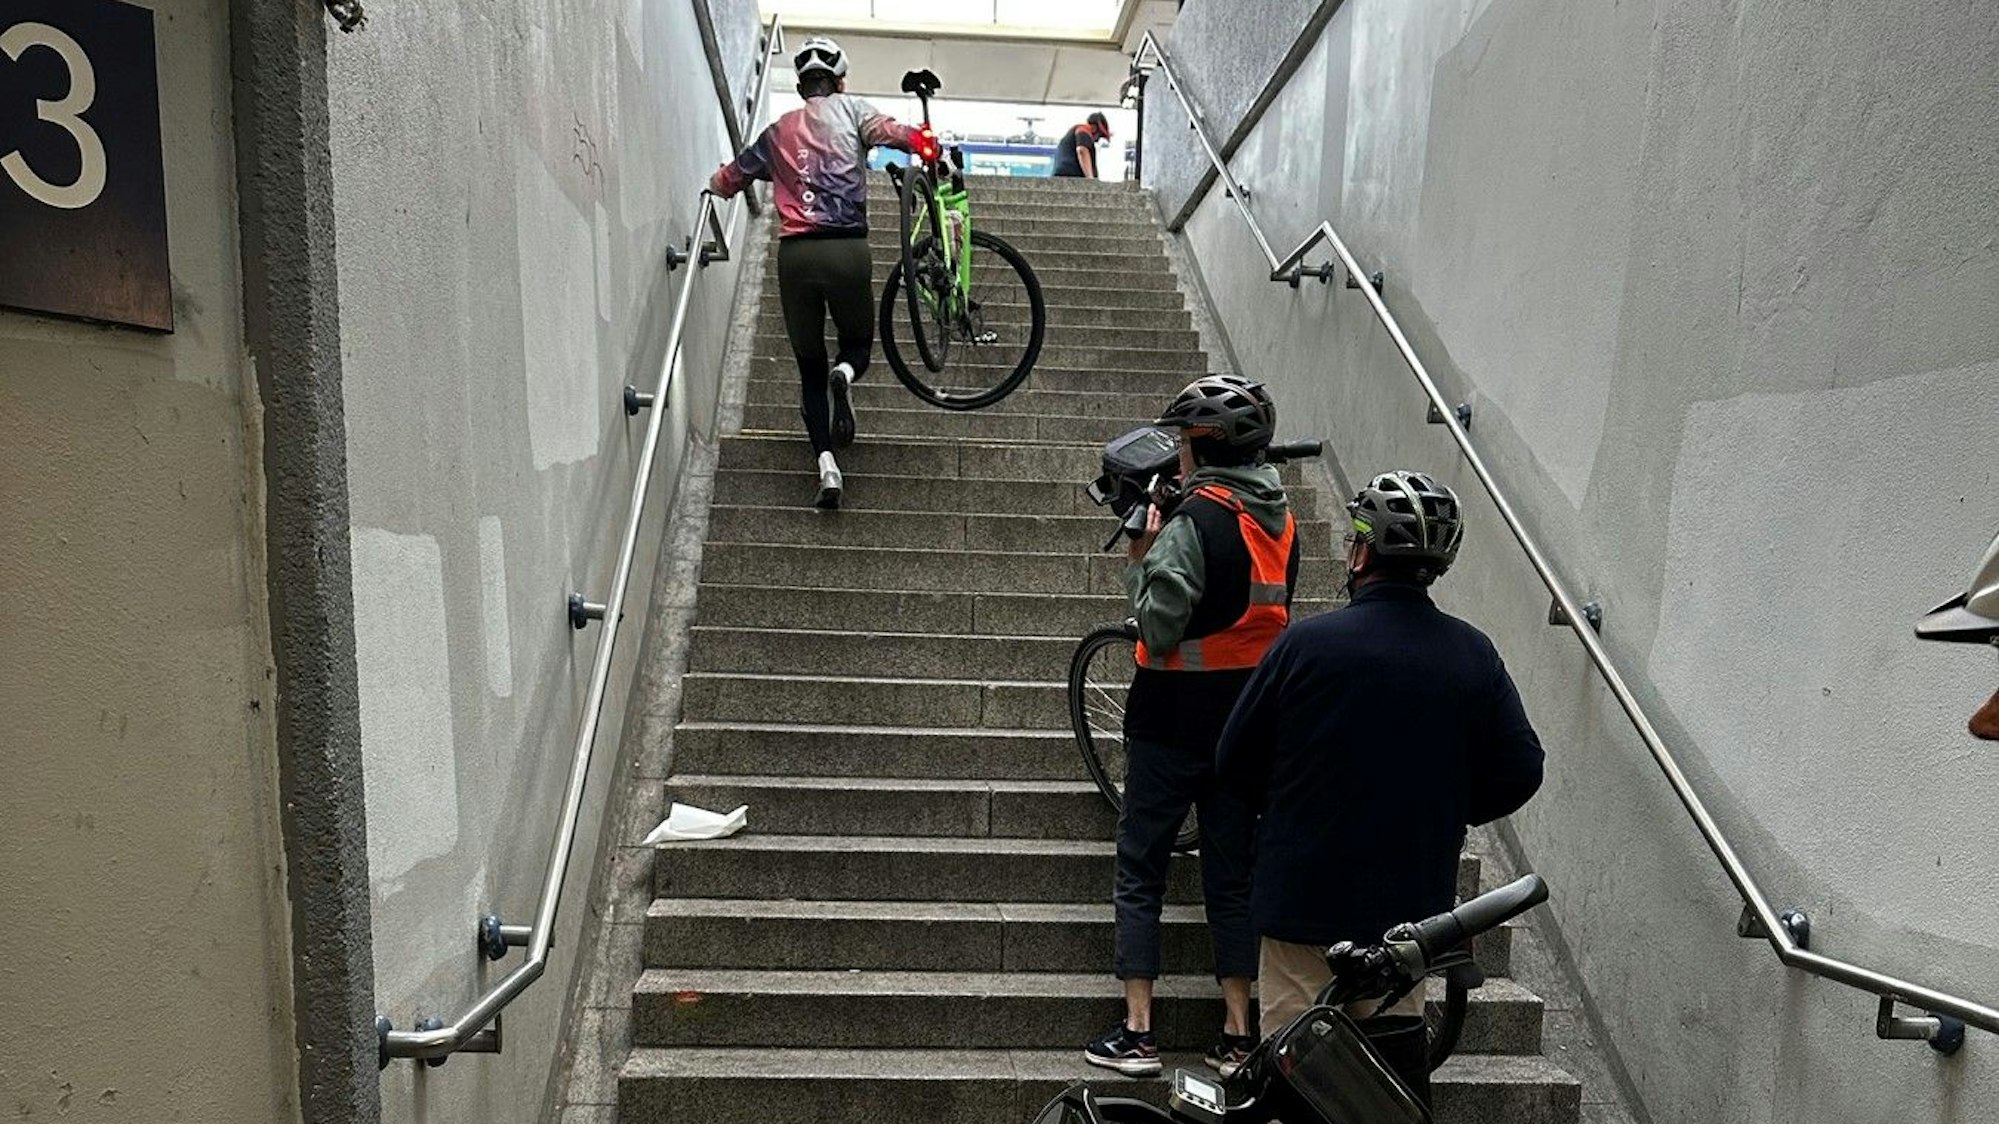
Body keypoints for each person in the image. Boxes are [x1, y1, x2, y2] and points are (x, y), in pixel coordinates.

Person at [1213, 470, 1546, 1106]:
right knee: (1385, 1089)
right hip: (1407, 918)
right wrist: (1452, 807)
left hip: (1302, 901)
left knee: (1295, 1080)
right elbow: (1522, 768)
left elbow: (1233, 760)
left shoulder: (1306, 645)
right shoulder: (1472, 654)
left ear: (1362, 554)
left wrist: (1287, 808)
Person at [1085, 375, 1298, 1080]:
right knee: (1231, 878)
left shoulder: (1190, 524)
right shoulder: (1279, 520)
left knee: (1141, 866)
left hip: (1171, 722)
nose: (1176, 450)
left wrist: (1139, 556)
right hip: (1245, 728)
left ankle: (1138, 1033)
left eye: (1182, 439)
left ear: (1202, 446)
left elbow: (1157, 626)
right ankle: (1237, 1035)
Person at [708, 35, 928, 509]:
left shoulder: (777, 131)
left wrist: (714, 185)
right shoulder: (853, 112)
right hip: (848, 250)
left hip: (796, 258)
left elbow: (731, 178)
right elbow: (897, 134)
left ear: (800, 86)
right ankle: (844, 373)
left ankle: (827, 464)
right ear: (840, 82)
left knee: (809, 366)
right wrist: (928, 145)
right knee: (857, 345)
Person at [1051, 111, 1111, 178]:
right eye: (1099, 135)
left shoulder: (1072, 136)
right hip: (1071, 175)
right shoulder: (1084, 129)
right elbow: (1082, 150)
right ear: (1094, 128)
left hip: (1064, 175)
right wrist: (1090, 178)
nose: (1097, 140)